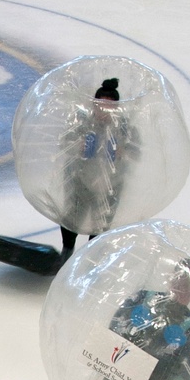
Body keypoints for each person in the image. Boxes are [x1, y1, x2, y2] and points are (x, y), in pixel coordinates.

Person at [57, 78, 139, 264]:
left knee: (100, 224)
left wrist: (123, 152)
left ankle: (89, 260)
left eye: (109, 107)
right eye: (100, 106)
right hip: (81, 179)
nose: (103, 111)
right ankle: (67, 251)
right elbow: (64, 143)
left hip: (110, 184)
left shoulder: (125, 128)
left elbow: (136, 152)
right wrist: (76, 146)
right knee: (71, 218)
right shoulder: (83, 123)